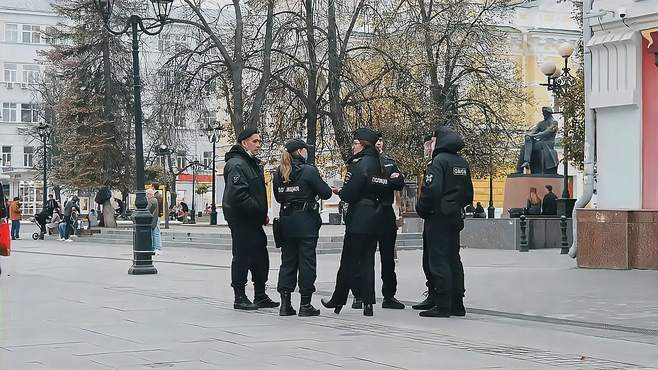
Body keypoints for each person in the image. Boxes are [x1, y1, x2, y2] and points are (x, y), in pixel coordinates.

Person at [321, 128, 385, 317]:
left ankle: (338, 299)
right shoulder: (378, 163)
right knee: (367, 261)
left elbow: (350, 192)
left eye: (355, 143)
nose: (353, 146)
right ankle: (368, 303)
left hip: (358, 217)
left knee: (348, 260)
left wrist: (340, 192)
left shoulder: (359, 164)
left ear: (363, 144)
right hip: (375, 216)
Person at [415, 126, 473, 318]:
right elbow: (468, 194)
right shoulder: (462, 163)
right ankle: (458, 303)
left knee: (438, 260)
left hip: (438, 216)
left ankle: (442, 304)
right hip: (454, 216)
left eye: (433, 140)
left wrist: (423, 208)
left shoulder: (438, 162)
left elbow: (431, 190)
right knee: (453, 259)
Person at [274, 139, 333, 317]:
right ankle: (305, 304)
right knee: (307, 262)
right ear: (300, 152)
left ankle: (285, 304)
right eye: (305, 150)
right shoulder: (308, 171)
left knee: (288, 262)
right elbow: (326, 193)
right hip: (306, 222)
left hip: (286, 222)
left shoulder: (279, 172)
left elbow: (278, 197)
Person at [222, 127, 279, 311]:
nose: (258, 145)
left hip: (253, 220)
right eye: (255, 141)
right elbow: (238, 195)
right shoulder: (237, 164)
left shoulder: (250, 163)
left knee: (260, 256)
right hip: (242, 219)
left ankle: (260, 295)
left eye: (259, 141)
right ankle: (239, 296)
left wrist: (262, 213)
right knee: (242, 256)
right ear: (243, 143)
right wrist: (258, 211)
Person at [351, 132, 406, 310]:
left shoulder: (389, 162)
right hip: (366, 213)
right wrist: (387, 181)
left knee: (388, 257)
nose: (379, 144)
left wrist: (387, 182)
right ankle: (360, 295)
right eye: (377, 141)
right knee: (362, 257)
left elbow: (399, 182)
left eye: (382, 140)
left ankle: (389, 295)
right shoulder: (358, 162)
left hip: (384, 212)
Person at [516, 107, 559, 174]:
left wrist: (535, 135)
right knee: (524, 146)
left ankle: (527, 162)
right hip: (540, 142)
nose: (544, 115)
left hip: (548, 143)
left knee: (539, 143)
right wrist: (528, 135)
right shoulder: (540, 123)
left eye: (545, 113)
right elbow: (534, 131)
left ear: (549, 114)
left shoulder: (554, 122)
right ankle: (523, 164)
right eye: (543, 113)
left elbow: (548, 132)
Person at [147, 188, 161, 255]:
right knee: (155, 233)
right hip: (155, 218)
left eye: (147, 194)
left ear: (150, 194)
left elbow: (148, 209)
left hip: (153, 219)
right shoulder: (155, 199)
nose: (146, 196)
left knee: (155, 233)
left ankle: (156, 248)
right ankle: (155, 248)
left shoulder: (151, 200)